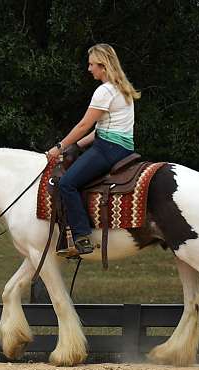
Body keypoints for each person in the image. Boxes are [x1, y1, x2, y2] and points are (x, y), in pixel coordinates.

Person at [46, 43, 141, 257]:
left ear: (103, 65)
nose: (89, 69)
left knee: (68, 183)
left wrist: (58, 147)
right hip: (123, 148)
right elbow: (99, 129)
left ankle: (81, 236)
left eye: (91, 65)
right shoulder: (121, 89)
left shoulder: (104, 91)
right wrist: (76, 146)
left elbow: (84, 125)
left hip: (107, 149)